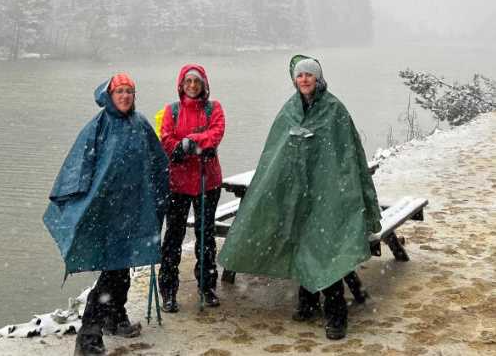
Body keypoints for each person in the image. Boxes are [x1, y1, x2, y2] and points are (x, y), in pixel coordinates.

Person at [218, 55, 382, 340]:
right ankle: (307, 303)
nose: (304, 79)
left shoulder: (334, 110)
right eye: (300, 75)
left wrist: (342, 190)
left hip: (327, 193)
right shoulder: (290, 109)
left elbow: (348, 154)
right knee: (301, 242)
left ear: (318, 79)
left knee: (325, 248)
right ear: (295, 80)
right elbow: (276, 151)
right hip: (297, 192)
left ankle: (335, 315)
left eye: (309, 75)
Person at [43, 73, 169, 356]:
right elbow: (80, 166)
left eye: (129, 91)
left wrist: (159, 196)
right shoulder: (99, 126)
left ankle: (115, 317)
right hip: (107, 212)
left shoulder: (141, 124)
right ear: (110, 95)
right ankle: (88, 335)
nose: (125, 96)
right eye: (120, 91)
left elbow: (157, 162)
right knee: (112, 272)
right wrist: (77, 201)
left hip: (133, 210)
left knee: (123, 268)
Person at [158, 64, 226, 312]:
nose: (193, 86)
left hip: (208, 182)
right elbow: (166, 139)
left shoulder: (214, 108)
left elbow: (216, 133)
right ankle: (168, 291)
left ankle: (207, 287)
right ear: (181, 85)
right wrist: (185, 146)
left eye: (197, 81)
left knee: (206, 238)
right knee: (173, 238)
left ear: (204, 84)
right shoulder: (172, 111)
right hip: (177, 183)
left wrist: (189, 142)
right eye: (188, 82)